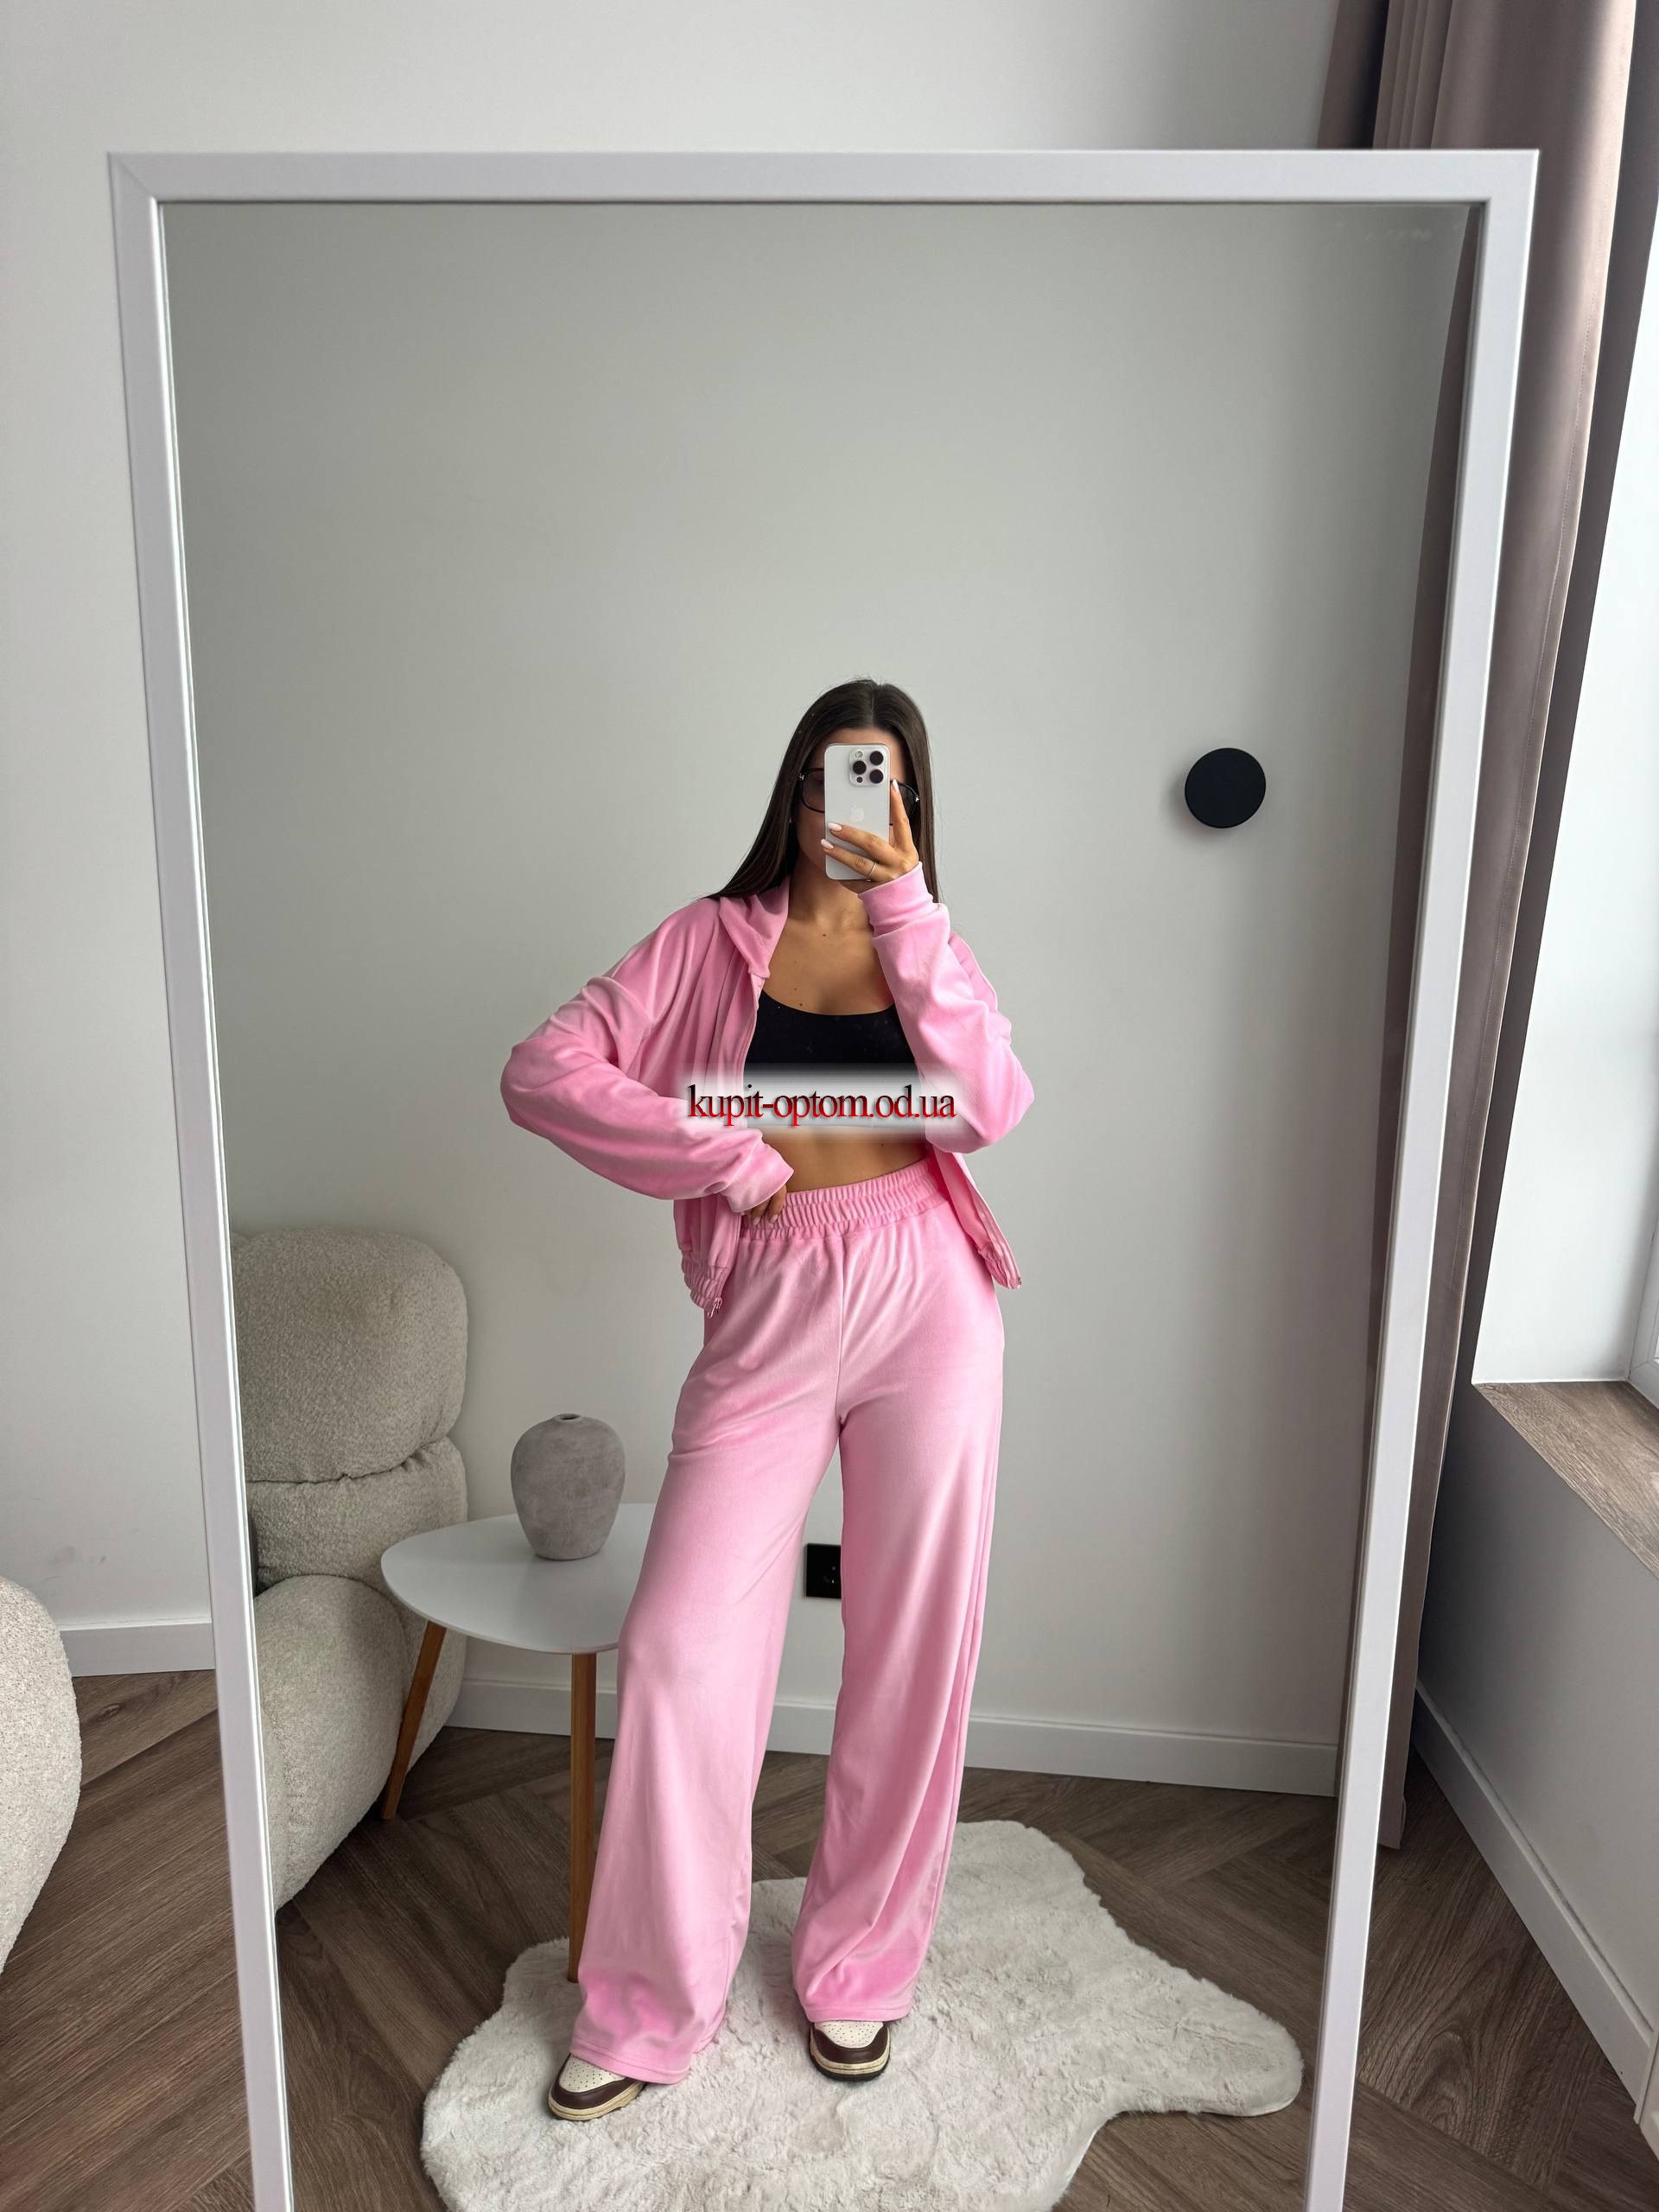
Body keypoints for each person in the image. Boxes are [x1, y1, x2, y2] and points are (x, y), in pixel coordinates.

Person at [499, 677, 1033, 2120]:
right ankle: (646, 2002)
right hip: (774, 1302)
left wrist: (907, 908)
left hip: (929, 1294)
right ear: (790, 789)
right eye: (828, 776)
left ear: (910, 803)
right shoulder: (706, 939)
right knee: (680, 1641)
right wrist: (728, 1152)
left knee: (914, 1640)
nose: (847, 806)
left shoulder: (930, 943)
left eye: (881, 781)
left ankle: (860, 1968)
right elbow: (542, 1071)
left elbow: (990, 1107)